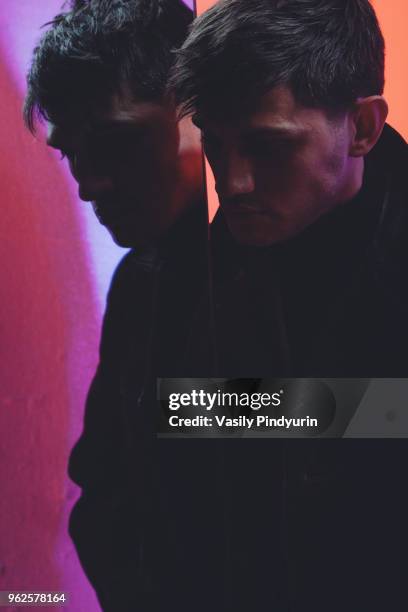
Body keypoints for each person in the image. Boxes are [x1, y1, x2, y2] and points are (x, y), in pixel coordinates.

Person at [168, 0, 408, 610]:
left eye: (269, 147)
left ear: (361, 127)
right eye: (217, 147)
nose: (234, 182)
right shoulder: (207, 256)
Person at [24, 1, 210, 610]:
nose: (89, 183)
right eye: (72, 151)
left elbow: (376, 413)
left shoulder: (281, 243)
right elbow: (98, 480)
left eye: (114, 141)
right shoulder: (138, 281)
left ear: (196, 108)